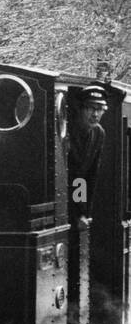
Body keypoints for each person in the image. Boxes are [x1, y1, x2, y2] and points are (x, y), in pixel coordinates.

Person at [68, 85, 107, 222]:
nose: (95, 114)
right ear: (80, 108)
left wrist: (83, 213)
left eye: (100, 109)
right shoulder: (66, 129)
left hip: (77, 192)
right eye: (91, 108)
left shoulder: (98, 133)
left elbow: (89, 176)